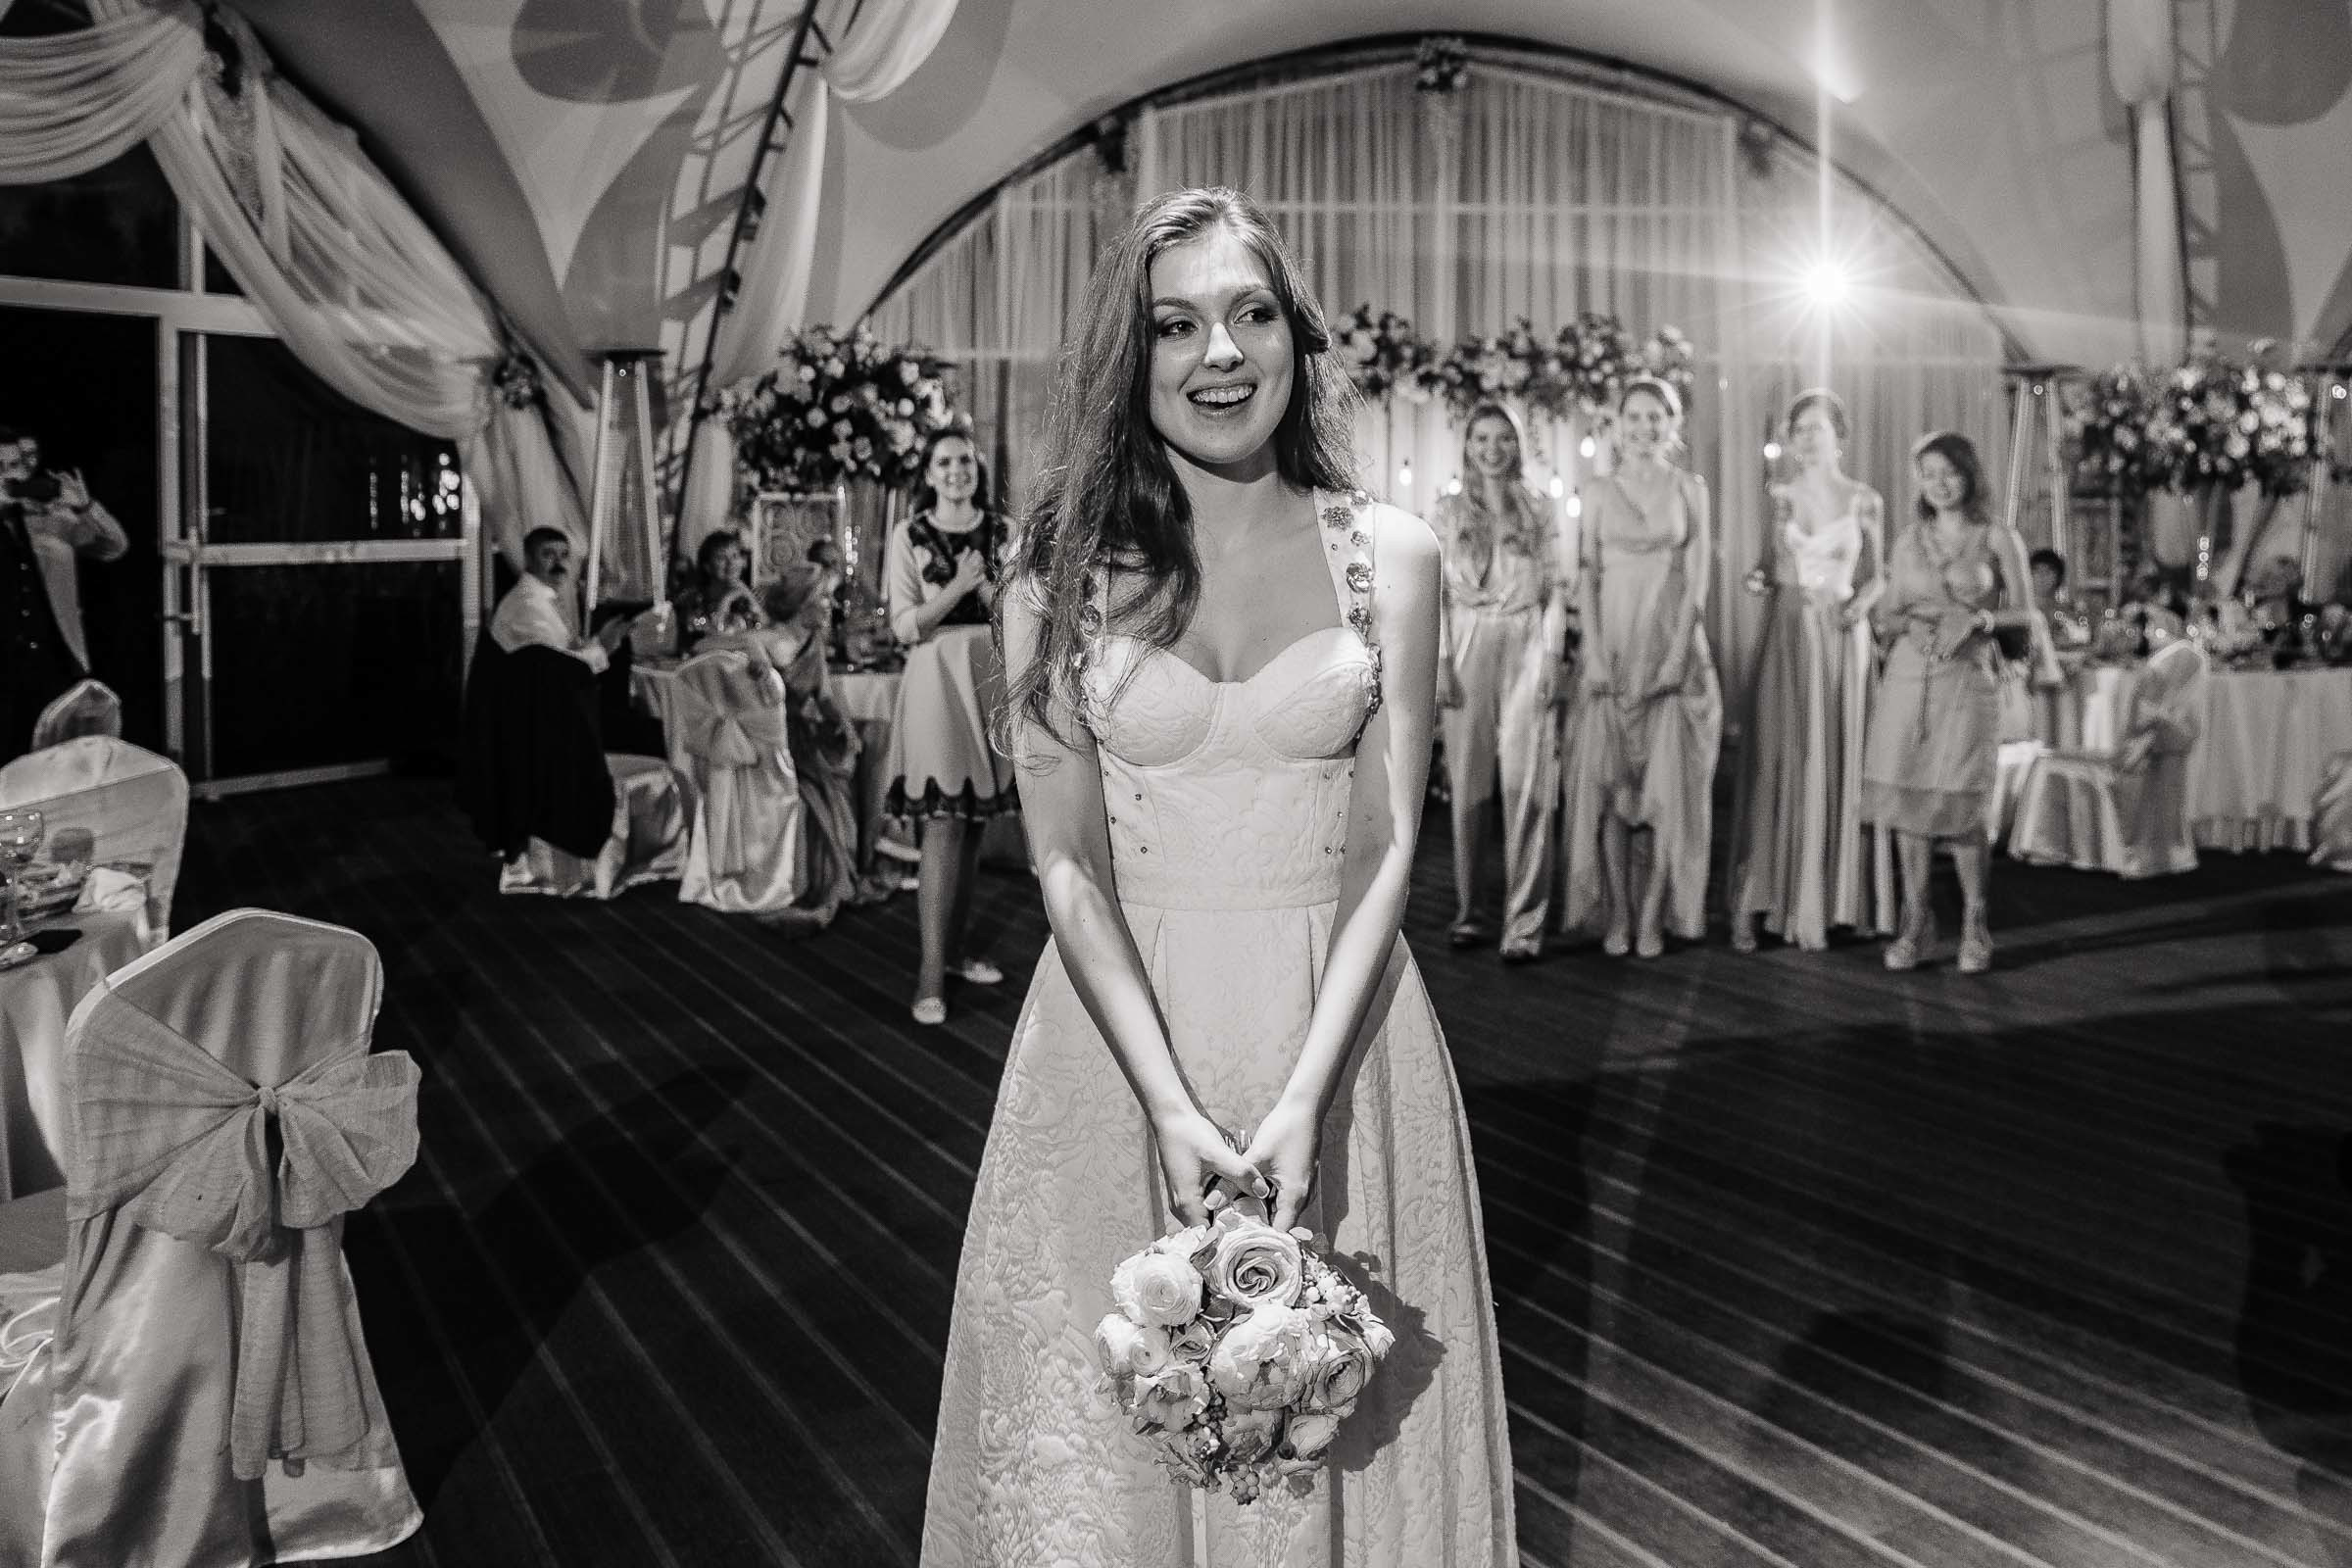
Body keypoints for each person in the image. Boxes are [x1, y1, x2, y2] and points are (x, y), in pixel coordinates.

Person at [922, 186, 1514, 1565]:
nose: (1221, 353)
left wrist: (1307, 1095)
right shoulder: (1052, 576)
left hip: (1341, 1030)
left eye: (1251, 313)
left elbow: (1386, 843)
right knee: (1111, 1452)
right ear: (1128, 358)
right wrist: (1168, 1102)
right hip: (1122, 1036)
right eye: (1175, 324)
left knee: (1338, 1427)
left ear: (1297, 337)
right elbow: (1065, 859)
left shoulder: (1392, 558)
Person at [1863, 430, 2038, 974]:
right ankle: (1916, 920)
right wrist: (1904, 624)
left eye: (1949, 472)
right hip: (1908, 679)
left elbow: (2027, 615)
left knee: (1962, 804)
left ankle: (1975, 921)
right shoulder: (1907, 540)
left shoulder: (1997, 537)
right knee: (1909, 803)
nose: (1939, 484)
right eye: (1928, 474)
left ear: (1969, 475)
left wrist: (1980, 618)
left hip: (1967, 679)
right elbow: (1886, 615)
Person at [1560, 377, 1722, 957]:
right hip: (1613, 645)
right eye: (1635, 417)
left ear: (1672, 425)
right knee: (1610, 791)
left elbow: (1698, 576)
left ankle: (1653, 914)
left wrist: (1679, 652)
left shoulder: (1690, 487)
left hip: (1670, 641)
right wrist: (1593, 653)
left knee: (1667, 793)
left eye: (1656, 417)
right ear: (1618, 424)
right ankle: (1619, 915)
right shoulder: (1597, 489)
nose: (1645, 427)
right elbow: (1586, 573)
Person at [1730, 389, 1885, 953]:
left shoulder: (1864, 499)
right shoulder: (1779, 497)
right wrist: (1757, 579)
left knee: (1839, 757)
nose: (1809, 438)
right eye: (1800, 430)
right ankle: (1761, 896)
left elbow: (1879, 575)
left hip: (1842, 635)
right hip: (1790, 633)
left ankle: (1837, 898)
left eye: (1818, 428)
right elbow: (1766, 568)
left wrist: (1859, 606)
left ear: (1839, 436)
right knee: (1780, 756)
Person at [883, 428, 1017, 1024]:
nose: (957, 469)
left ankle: (956, 953)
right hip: (935, 679)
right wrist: (958, 588)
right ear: (930, 473)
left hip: (988, 675)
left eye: (966, 459)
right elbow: (904, 625)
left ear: (977, 468)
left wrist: (984, 588)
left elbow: (1021, 615)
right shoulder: (907, 535)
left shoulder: (1006, 532)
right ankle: (929, 975)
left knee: (971, 825)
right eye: (945, 461)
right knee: (942, 821)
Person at [1432, 402, 1572, 960]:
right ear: (1468, 447)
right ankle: (1470, 912)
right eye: (1481, 439)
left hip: (1526, 643)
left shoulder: (1539, 509)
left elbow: (1557, 588)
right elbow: (1433, 592)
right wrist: (1441, 661)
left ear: (1517, 446)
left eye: (1503, 438)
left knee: (1527, 784)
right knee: (1467, 786)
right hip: (1467, 642)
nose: (1492, 449)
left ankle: (1524, 924)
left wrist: (1554, 657)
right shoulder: (1446, 511)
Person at [705, 565, 881, 931]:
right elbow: (711, 654)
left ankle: (822, 877)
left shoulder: (813, 643)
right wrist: (754, 658)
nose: (831, 604)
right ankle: (789, 882)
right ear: (802, 603)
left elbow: (825, 695)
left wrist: (846, 727)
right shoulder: (762, 640)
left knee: (838, 780)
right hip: (771, 742)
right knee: (808, 794)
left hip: (802, 736)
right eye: (823, 597)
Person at [0, 428, 128, 760]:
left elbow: (113, 546)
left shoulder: (48, 517)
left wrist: (85, 507)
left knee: (52, 757)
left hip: (51, 659)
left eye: (14, 466)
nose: (9, 475)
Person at [491, 527, 632, 668]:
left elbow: (565, 651)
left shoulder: (544, 598)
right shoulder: (527, 606)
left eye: (564, 555)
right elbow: (555, 668)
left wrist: (600, 641)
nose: (559, 563)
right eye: (548, 554)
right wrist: (603, 648)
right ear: (529, 559)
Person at [671, 528, 763, 650]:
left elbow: (764, 626)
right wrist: (725, 602)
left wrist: (742, 592)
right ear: (708, 567)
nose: (731, 563)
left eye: (735, 556)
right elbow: (707, 638)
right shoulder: (692, 598)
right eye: (721, 558)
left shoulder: (750, 593)